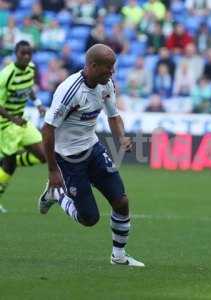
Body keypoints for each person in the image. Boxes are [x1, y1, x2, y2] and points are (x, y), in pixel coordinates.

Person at [38, 44, 145, 267]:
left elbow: (113, 116)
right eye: (108, 68)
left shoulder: (106, 84)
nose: (112, 72)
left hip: (93, 149)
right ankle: (56, 195)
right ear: (93, 66)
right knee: (89, 219)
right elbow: (47, 130)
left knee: (121, 201)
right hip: (68, 159)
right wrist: (52, 170)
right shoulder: (69, 91)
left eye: (114, 67)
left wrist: (122, 138)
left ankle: (119, 256)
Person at [0, 40, 47, 213]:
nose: (26, 57)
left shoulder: (31, 69)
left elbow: (28, 89)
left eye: (29, 54)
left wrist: (38, 103)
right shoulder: (6, 75)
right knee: (8, 169)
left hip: (21, 122)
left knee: (44, 156)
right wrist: (12, 118)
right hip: (5, 125)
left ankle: (9, 160)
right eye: (23, 53)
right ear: (16, 54)